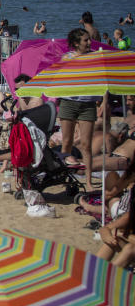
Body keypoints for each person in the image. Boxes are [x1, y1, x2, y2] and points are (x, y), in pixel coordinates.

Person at [58, 28, 99, 192]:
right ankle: (65, 178)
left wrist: (103, 102)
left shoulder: (95, 57)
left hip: (88, 104)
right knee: (66, 142)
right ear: (76, 43)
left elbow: (101, 80)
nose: (89, 43)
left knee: (86, 145)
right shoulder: (67, 58)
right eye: (85, 40)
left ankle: (88, 182)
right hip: (69, 102)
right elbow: (60, 79)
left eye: (89, 40)